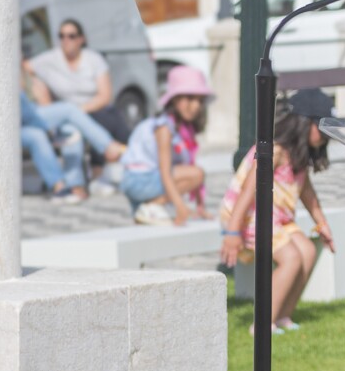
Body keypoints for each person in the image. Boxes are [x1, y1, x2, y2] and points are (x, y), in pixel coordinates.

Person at [219, 88, 337, 335]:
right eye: (322, 127)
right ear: (303, 123)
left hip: (277, 219)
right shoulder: (274, 151)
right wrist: (232, 231)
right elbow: (247, 191)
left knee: (307, 251)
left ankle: (282, 315)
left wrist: (322, 225)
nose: (326, 135)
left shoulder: (297, 157)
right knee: (291, 258)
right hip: (249, 217)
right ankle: (262, 325)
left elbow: (308, 194)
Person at [121, 65, 213, 225]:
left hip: (149, 179)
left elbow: (189, 166)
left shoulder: (183, 129)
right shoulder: (164, 127)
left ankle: (153, 205)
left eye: (200, 100)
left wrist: (200, 206)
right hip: (138, 180)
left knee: (196, 173)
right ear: (174, 99)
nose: (196, 106)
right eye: (190, 98)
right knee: (197, 174)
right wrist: (180, 206)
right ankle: (152, 205)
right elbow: (165, 172)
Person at [24, 18, 131, 147]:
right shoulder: (50, 59)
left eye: (71, 36)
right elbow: (23, 67)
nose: (66, 40)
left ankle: (122, 151)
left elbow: (105, 96)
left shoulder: (93, 59)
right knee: (72, 139)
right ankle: (109, 148)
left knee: (111, 122)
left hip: (94, 110)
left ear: (81, 39)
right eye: (61, 36)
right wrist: (37, 84)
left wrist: (78, 111)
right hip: (67, 116)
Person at [18, 89, 127, 204]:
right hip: (19, 123)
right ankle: (59, 186)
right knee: (63, 114)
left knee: (70, 130)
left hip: (28, 116)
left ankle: (74, 185)